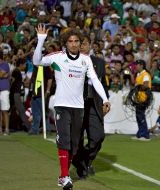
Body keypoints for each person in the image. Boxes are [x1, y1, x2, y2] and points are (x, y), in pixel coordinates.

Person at [32, 24, 110, 190]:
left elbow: (95, 81)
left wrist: (105, 99)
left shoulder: (85, 60)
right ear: (65, 44)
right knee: (65, 141)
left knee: (75, 145)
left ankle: (64, 174)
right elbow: (37, 61)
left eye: (76, 41)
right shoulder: (58, 57)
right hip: (62, 106)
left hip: (79, 108)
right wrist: (40, 41)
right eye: (70, 41)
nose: (74, 44)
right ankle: (64, 176)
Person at [71, 35, 109, 180]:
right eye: (80, 44)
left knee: (98, 137)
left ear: (90, 45)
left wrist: (106, 101)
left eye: (85, 44)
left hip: (94, 105)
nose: (82, 47)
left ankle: (86, 160)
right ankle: (81, 167)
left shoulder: (99, 63)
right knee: (77, 140)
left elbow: (104, 84)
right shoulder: (70, 62)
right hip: (77, 105)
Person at [132, 59, 152, 141]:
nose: (136, 66)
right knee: (138, 116)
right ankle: (140, 134)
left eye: (137, 65)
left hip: (144, 98)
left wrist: (137, 87)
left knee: (141, 116)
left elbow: (146, 85)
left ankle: (145, 135)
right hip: (138, 98)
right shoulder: (139, 74)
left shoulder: (145, 75)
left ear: (141, 65)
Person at [10, 58, 30, 131]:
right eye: (24, 64)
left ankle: (14, 126)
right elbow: (12, 81)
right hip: (15, 93)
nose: (25, 66)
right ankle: (28, 127)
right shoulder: (16, 71)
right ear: (21, 64)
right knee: (21, 110)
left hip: (16, 92)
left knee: (15, 110)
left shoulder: (17, 71)